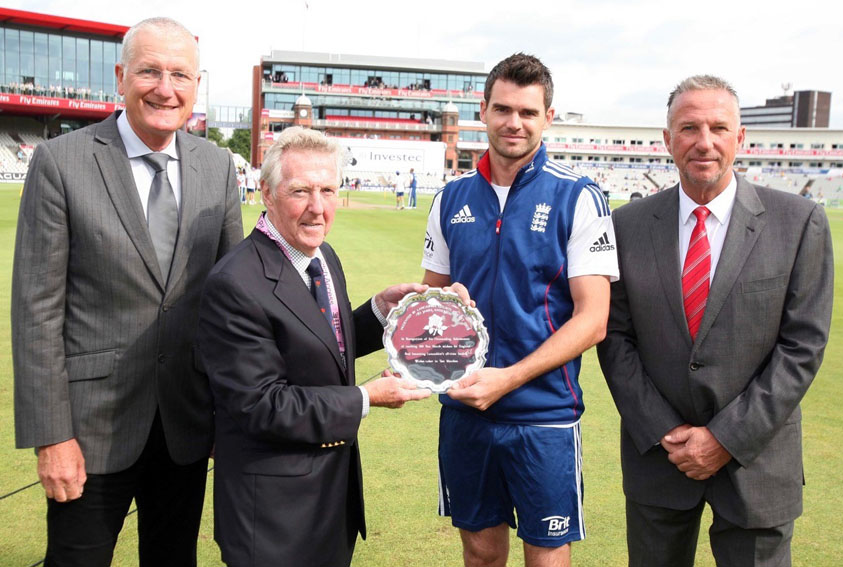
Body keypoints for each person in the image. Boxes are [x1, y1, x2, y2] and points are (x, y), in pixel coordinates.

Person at [11, 17, 243, 567]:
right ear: (121, 76)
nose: (166, 88)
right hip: (89, 433)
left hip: (186, 427)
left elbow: (233, 300)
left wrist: (231, 412)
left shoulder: (217, 166)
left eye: (180, 74)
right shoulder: (60, 162)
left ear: (196, 85)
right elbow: (36, 312)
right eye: (150, 71)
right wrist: (52, 437)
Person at [597, 75, 833, 567]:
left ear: (740, 137)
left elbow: (802, 348)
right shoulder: (627, 226)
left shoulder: (799, 221)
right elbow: (615, 339)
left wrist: (726, 438)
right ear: (667, 140)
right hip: (660, 460)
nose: (704, 142)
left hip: (757, 462)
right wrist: (664, 431)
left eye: (718, 128)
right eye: (688, 128)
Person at [198, 126, 444, 566]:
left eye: (328, 189)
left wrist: (381, 311)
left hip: (331, 502)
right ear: (267, 194)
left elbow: (318, 341)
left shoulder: (321, 256)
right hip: (274, 517)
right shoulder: (235, 283)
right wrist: (366, 398)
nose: (318, 207)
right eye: (301, 191)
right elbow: (262, 405)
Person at [421, 53, 619, 567]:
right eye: (504, 109)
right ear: (482, 110)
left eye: (529, 112)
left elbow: (593, 319)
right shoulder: (449, 198)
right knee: (480, 552)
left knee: (546, 555)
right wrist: (428, 334)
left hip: (544, 417)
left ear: (548, 117)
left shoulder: (579, 196)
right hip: (465, 412)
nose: (515, 123)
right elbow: (430, 304)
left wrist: (507, 379)